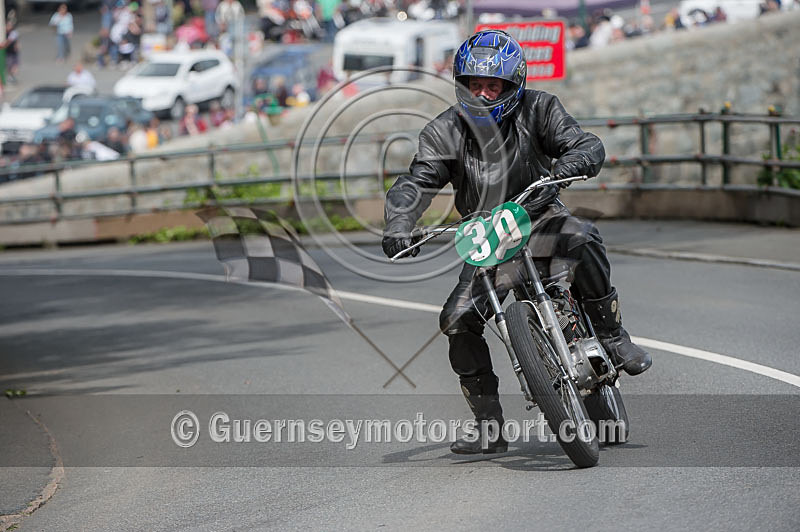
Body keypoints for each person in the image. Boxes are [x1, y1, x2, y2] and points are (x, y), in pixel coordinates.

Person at [382, 30, 652, 455]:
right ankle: (488, 426)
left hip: (541, 216)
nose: (484, 94)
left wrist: (573, 162)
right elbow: (415, 182)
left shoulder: (540, 108)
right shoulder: (444, 131)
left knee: (583, 234)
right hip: (488, 238)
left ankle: (612, 335)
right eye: (475, 85)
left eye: (494, 86)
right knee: (456, 318)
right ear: (462, 84)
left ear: (513, 85)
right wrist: (399, 222)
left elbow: (583, 144)